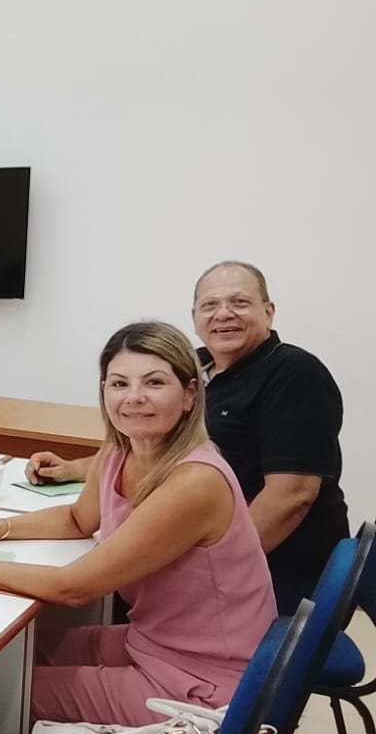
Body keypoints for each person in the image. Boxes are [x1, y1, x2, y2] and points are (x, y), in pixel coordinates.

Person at [0, 321, 276, 726]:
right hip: (152, 642)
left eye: (154, 382)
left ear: (190, 395)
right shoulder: (121, 449)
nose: (134, 397)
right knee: (1, 660)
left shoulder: (195, 481)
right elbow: (78, 518)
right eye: (119, 384)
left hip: (205, 686)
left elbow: (73, 587)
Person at [27, 262, 347, 612]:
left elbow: (292, 497)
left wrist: (220, 568)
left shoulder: (295, 374)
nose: (223, 314)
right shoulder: (193, 366)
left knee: (98, 596)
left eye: (239, 302)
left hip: (274, 571)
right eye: (210, 305)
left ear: (268, 312)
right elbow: (152, 446)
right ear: (195, 318)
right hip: (193, 543)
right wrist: (73, 469)